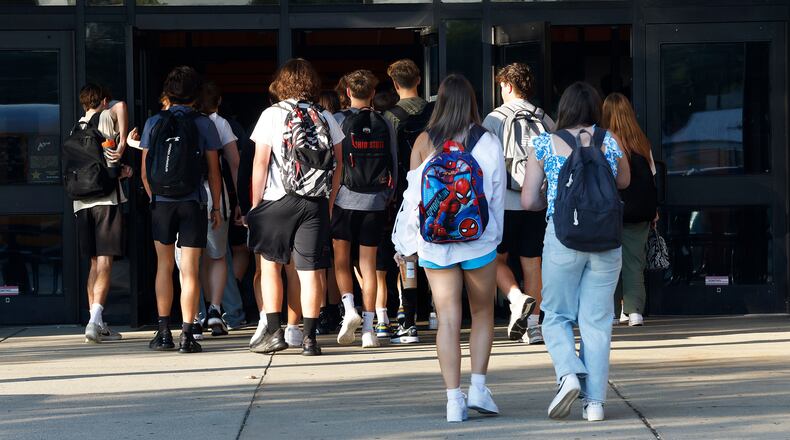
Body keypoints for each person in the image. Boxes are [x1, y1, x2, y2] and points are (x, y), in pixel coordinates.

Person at [392, 74, 506, 422]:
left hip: (435, 243)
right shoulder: (486, 140)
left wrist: (407, 244)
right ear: (471, 101)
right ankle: (480, 389)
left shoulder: (425, 141)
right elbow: (497, 194)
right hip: (478, 241)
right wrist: (495, 237)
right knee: (483, 314)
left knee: (448, 319)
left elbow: (412, 200)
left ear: (439, 102)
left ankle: (453, 401)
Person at [521, 81, 630, 422]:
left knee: (554, 315)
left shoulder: (544, 143)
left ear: (564, 108)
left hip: (563, 237)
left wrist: (547, 197)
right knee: (597, 322)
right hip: (606, 240)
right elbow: (624, 181)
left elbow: (528, 201)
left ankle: (568, 374)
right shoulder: (609, 140)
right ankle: (594, 403)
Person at [246, 58, 345, 356]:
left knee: (270, 268)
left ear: (281, 83)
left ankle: (275, 334)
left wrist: (255, 205)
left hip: (276, 200)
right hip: (314, 202)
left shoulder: (271, 115)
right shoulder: (325, 116)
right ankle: (310, 339)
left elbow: (260, 163)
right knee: (310, 272)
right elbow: (337, 166)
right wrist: (327, 202)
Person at [140, 66, 223, 354]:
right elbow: (214, 171)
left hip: (162, 204)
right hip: (193, 202)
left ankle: (164, 333)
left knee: (164, 266)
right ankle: (188, 335)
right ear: (195, 93)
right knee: (190, 270)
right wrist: (216, 207)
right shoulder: (204, 124)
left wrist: (156, 197)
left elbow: (145, 172)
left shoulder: (153, 122)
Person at [482, 63, 555, 344]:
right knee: (533, 264)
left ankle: (516, 298)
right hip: (536, 202)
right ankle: (534, 326)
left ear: (508, 86)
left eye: (501, 86)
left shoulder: (494, 119)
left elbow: (486, 163)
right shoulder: (545, 119)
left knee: (496, 259)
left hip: (504, 203)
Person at [332, 69, 398, 348]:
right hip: (375, 201)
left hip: (344, 199)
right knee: (368, 265)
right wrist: (388, 196)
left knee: (341, 261)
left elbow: (333, 165)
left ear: (347, 92)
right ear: (372, 93)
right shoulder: (386, 122)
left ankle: (349, 310)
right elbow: (394, 163)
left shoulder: (337, 120)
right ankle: (370, 329)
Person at [71, 84, 132, 343]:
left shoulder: (75, 127)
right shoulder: (106, 116)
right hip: (105, 199)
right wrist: (123, 169)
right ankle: (96, 320)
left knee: (94, 262)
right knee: (106, 260)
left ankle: (95, 321)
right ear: (104, 100)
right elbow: (110, 158)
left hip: (81, 203)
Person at [186, 80, 243, 337]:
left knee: (190, 262)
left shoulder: (181, 121)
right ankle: (215, 312)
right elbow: (234, 163)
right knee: (218, 256)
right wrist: (242, 199)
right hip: (214, 196)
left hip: (183, 197)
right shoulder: (219, 123)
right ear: (218, 101)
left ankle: (194, 317)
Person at [384, 58, 435, 344]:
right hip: (439, 196)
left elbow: (390, 160)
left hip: (406, 195)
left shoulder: (389, 117)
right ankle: (438, 312)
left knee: (406, 258)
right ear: (419, 79)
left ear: (394, 84)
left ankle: (408, 317)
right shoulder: (435, 113)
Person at [603, 92, 657, 327]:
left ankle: (613, 312)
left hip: (612, 213)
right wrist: (654, 209)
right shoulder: (641, 142)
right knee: (635, 263)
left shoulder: (605, 141)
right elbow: (652, 178)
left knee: (609, 262)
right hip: (640, 213)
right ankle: (635, 312)